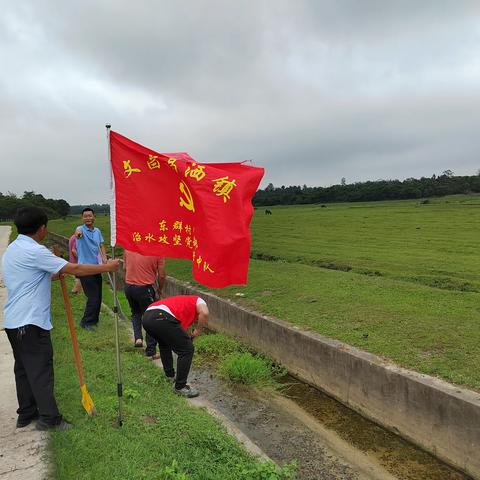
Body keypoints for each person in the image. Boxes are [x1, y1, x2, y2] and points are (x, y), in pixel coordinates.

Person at [2, 206, 120, 431]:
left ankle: (26, 413)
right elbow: (75, 268)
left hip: (13, 321)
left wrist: (58, 274)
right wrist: (107, 267)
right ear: (42, 228)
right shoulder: (36, 251)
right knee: (40, 369)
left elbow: (34, 278)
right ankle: (49, 418)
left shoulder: (13, 250)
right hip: (31, 322)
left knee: (24, 368)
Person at [142, 295, 209, 398]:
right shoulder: (199, 301)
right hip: (162, 316)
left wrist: (189, 337)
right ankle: (180, 387)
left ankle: (170, 376)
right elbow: (204, 313)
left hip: (147, 316)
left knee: (164, 344)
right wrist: (198, 331)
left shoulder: (182, 305)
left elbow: (180, 332)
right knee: (187, 350)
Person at [123, 249, 165, 358]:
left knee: (135, 312)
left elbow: (124, 268)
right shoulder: (157, 252)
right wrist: (160, 289)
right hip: (144, 288)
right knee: (151, 317)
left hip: (129, 286)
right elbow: (161, 275)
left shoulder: (129, 248)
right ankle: (151, 350)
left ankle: (138, 338)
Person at [75, 207, 107, 330]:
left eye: (90, 216)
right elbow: (77, 234)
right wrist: (78, 234)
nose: (88, 218)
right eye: (85, 216)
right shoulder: (80, 229)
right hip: (84, 268)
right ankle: (86, 322)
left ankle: (94, 321)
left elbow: (101, 245)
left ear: (94, 217)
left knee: (98, 296)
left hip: (96, 267)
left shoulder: (97, 231)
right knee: (92, 296)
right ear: (82, 218)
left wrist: (104, 258)